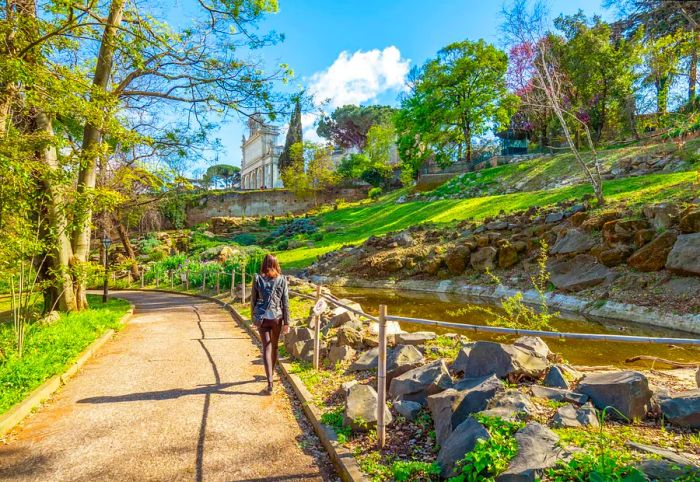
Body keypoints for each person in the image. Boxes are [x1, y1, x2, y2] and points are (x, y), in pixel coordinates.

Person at [251, 254, 290, 393]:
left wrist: (253, 319)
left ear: (264, 264)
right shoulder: (282, 280)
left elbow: (253, 301)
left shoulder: (257, 279)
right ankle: (271, 374)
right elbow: (285, 303)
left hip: (262, 318)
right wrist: (287, 322)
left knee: (266, 348)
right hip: (277, 318)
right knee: (274, 347)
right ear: (276, 264)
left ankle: (270, 383)